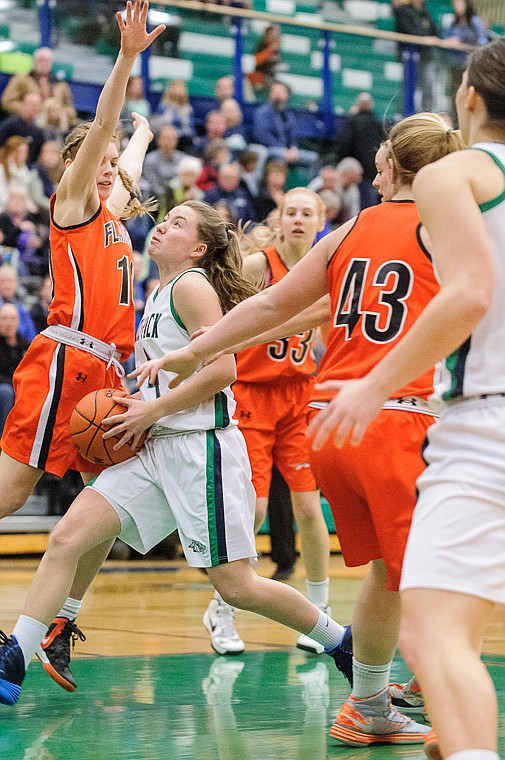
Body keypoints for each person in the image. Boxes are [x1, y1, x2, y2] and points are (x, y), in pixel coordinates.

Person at [132, 113, 465, 746]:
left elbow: (277, 305)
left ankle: (373, 700)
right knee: (430, 571)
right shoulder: (447, 228)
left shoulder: (352, 229)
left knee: (387, 574)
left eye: (379, 158)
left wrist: (192, 350)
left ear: (390, 167)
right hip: (393, 414)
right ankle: (433, 691)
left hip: (326, 418)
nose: (370, 166)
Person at [0, 201, 351, 705]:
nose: (163, 224)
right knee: (67, 537)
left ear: (199, 248)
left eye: (178, 223)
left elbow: (222, 369)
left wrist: (151, 409)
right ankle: (15, 659)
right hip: (157, 447)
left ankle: (341, 642)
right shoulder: (159, 292)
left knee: (237, 586)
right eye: (165, 219)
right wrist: (137, 406)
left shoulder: (190, 286)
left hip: (199, 449)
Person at [306, 37, 505, 760]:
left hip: (466, 413)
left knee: (429, 628)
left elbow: (469, 295)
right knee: (436, 609)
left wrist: (372, 382)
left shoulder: (451, 178)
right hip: (446, 416)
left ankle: (437, 729)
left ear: (470, 100)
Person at [0, 0, 165, 691]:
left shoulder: (116, 217)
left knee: (110, 503)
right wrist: (126, 60)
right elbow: (102, 134)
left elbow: (122, 150)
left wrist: (145, 132)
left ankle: (58, 623)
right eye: (93, 161)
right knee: (10, 494)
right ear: (73, 165)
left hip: (107, 375)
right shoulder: (73, 206)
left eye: (110, 167)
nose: (106, 168)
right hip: (64, 364)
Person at [201, 189, 333, 657]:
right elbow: (220, 309)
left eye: (307, 212)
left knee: (310, 508)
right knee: (253, 510)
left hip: (299, 395)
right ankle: (222, 607)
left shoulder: (324, 265)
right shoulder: (260, 265)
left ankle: (321, 611)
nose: (298, 219)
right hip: (253, 395)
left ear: (321, 219)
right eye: (290, 211)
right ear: (280, 218)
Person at [0, 46, 76, 126]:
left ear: (51, 64)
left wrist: (58, 112)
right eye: (40, 60)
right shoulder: (21, 78)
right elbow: (7, 101)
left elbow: (71, 110)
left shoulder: (61, 84)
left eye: (46, 61)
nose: (43, 64)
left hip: (55, 126)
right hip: (27, 123)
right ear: (34, 62)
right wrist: (28, 110)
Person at [442, 0, 490, 125]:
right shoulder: (453, 22)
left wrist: (463, 43)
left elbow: (482, 42)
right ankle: (456, 123)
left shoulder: (475, 21)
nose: (457, 6)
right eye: (455, 4)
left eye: (459, 3)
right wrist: (450, 42)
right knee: (455, 96)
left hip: (470, 65)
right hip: (455, 64)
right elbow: (445, 38)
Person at [392, 0, 440, 112]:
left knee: (427, 88)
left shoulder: (425, 11)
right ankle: (407, 114)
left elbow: (434, 31)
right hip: (409, 55)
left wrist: (429, 39)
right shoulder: (403, 10)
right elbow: (405, 30)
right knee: (409, 88)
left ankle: (426, 114)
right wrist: (423, 39)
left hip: (425, 55)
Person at [0, 303, 29, 437]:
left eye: (12, 319)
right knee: (7, 393)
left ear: (18, 321)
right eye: (4, 318)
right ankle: (4, 438)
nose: (8, 323)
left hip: (21, 387)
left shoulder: (26, 345)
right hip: (5, 387)